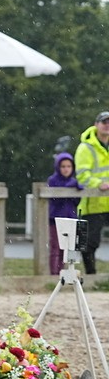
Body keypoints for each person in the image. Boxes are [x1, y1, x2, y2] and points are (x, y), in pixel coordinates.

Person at [75, 110, 109, 274]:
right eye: (104, 122)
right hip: (93, 204)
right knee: (89, 244)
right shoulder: (85, 148)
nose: (107, 125)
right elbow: (82, 176)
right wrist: (100, 184)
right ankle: (91, 274)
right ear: (96, 125)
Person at [48, 152, 80, 275]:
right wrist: (68, 188)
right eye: (63, 166)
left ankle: (62, 272)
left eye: (68, 166)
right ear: (58, 167)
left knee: (66, 249)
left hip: (70, 219)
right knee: (55, 247)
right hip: (55, 219)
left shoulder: (73, 181)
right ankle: (54, 274)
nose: (66, 169)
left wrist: (75, 191)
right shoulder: (53, 180)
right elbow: (56, 200)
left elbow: (76, 201)